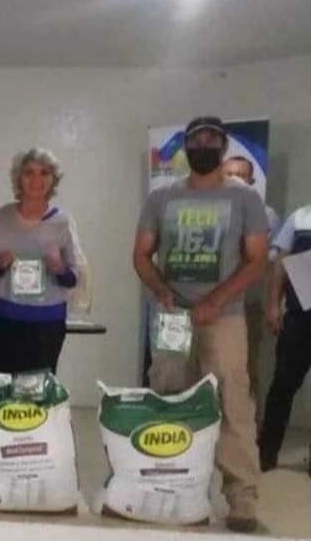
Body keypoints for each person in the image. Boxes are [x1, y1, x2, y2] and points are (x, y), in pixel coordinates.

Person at [133, 116, 268, 533]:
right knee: (169, 399)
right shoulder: (161, 198)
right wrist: (161, 289)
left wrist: (215, 300)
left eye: (212, 139)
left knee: (232, 403)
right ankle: (170, 486)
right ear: (185, 147)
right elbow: (141, 255)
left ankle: (242, 499)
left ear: (223, 147)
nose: (204, 145)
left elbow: (256, 260)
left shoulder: (244, 198)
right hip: (172, 317)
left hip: (224, 317)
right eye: (196, 139)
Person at [0, 148, 78, 379]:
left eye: (44, 173)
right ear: (18, 178)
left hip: (47, 323)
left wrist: (60, 269)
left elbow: (74, 278)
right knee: (1, 389)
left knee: (38, 390)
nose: (36, 180)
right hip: (4, 319)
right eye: (29, 172)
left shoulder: (63, 222)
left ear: (54, 180)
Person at [222, 156, 280, 424]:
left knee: (245, 369)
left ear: (251, 180)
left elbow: (265, 260)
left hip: (246, 304)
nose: (234, 179)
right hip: (206, 304)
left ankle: (249, 431)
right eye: (229, 173)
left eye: (241, 175)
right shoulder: (209, 208)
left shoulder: (265, 214)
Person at [258, 205, 311, 471]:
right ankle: (267, 451)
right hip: (300, 315)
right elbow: (281, 262)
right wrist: (273, 305)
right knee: (283, 383)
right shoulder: (300, 218)